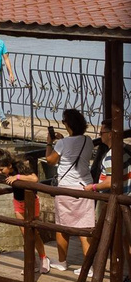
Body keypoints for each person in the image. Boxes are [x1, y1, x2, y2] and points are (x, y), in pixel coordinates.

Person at [49, 109, 107, 272]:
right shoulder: (87, 141)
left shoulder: (62, 144)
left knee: (62, 227)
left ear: (68, 124)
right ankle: (89, 268)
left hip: (66, 188)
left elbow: (50, 161)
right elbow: (74, 147)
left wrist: (49, 143)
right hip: (85, 187)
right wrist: (63, 140)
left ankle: (62, 262)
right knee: (85, 227)